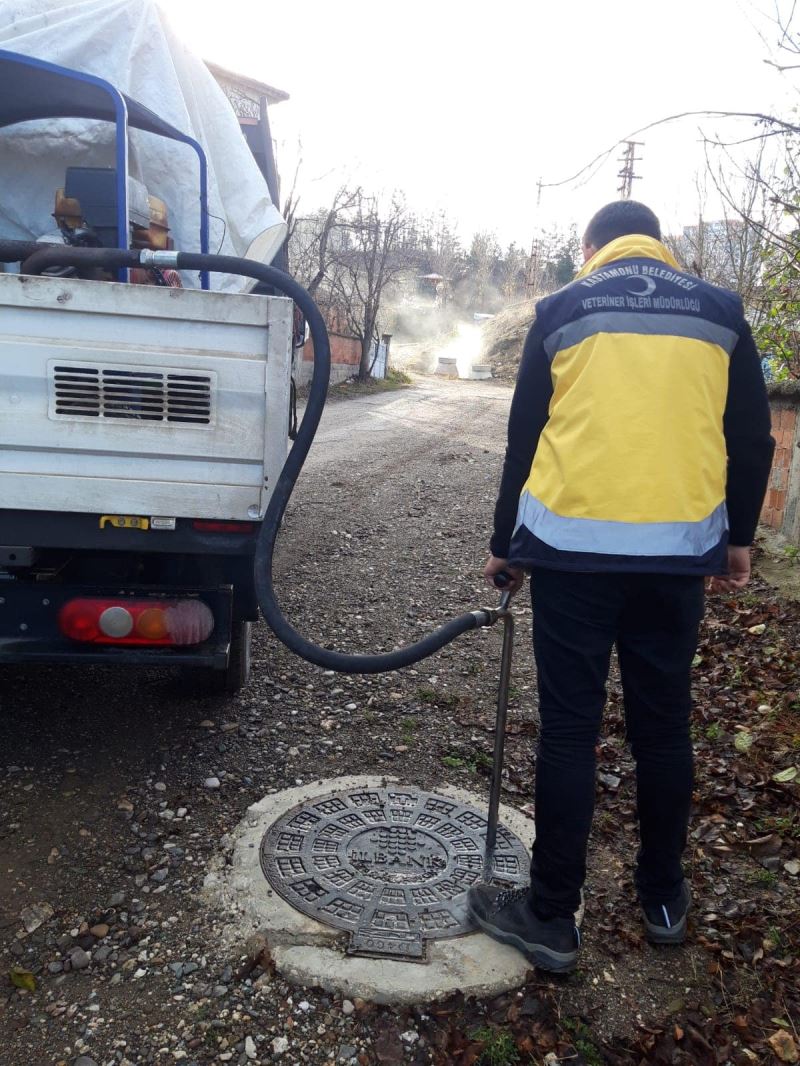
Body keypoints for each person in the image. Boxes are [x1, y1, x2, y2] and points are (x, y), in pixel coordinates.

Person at [467, 200, 775, 974]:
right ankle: (663, 898)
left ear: (589, 247)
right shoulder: (721, 312)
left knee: (571, 732)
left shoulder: (563, 308)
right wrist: (738, 540)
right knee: (663, 730)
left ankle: (549, 915)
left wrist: (506, 545)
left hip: (572, 556)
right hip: (676, 558)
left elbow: (526, 434)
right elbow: (751, 436)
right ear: (660, 247)